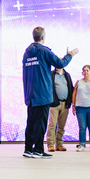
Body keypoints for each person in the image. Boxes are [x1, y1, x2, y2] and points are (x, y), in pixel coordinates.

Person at [22, 27, 77, 159]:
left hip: (30, 94)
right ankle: (38, 151)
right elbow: (60, 63)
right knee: (40, 123)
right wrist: (70, 55)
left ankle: (28, 149)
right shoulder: (44, 51)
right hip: (42, 95)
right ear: (43, 37)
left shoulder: (26, 53)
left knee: (31, 122)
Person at [72, 65, 90, 151]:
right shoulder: (78, 82)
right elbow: (74, 93)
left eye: (87, 70)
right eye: (84, 70)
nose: (86, 72)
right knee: (82, 127)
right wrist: (73, 105)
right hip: (80, 107)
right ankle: (82, 145)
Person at [46, 67, 73, 151]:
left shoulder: (67, 75)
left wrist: (70, 102)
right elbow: (48, 87)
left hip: (65, 104)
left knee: (61, 126)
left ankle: (59, 144)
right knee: (52, 125)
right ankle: (51, 144)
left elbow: (70, 88)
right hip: (54, 104)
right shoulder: (51, 74)